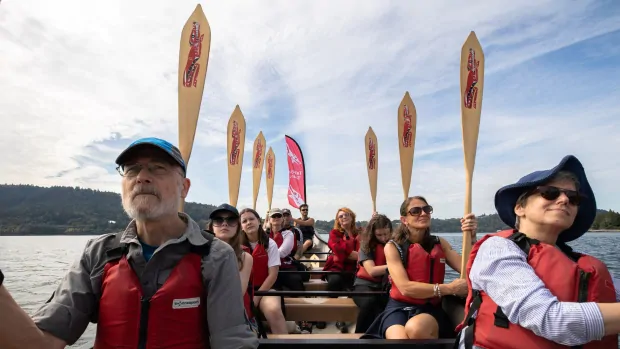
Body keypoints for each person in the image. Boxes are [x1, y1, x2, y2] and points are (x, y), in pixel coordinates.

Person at [0, 137, 259, 349]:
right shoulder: (99, 253)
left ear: (184, 187)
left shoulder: (214, 256)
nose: (142, 177)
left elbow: (232, 342)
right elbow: (40, 343)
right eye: (132, 169)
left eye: (157, 168)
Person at [455, 155, 620, 349]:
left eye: (573, 198)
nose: (565, 199)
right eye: (550, 193)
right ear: (519, 208)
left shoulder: (577, 262)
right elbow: (552, 321)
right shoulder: (497, 249)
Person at [364, 196, 476, 341]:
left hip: (430, 309)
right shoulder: (393, 247)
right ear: (404, 220)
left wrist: (471, 239)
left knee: (417, 328)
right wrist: (450, 288)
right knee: (398, 339)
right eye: (415, 211)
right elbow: (405, 288)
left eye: (427, 209)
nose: (423, 213)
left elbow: (468, 269)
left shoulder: (439, 243)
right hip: (398, 307)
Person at [207, 204, 256, 334]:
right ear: (212, 226)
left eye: (231, 220)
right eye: (218, 220)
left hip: (235, 320)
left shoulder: (245, 258)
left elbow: (236, 293)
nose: (225, 224)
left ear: (238, 227)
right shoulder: (199, 254)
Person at [239, 208, 288, 335]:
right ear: (241, 226)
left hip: (267, 288)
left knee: (273, 310)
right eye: (244, 221)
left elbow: (273, 275)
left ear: (259, 222)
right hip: (244, 289)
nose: (248, 222)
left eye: (251, 219)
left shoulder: (270, 244)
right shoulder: (236, 246)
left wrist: (256, 297)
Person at [322, 207, 361, 333]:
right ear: (338, 220)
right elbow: (338, 249)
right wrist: (357, 255)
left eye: (346, 214)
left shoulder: (359, 233)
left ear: (352, 216)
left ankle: (342, 318)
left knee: (354, 286)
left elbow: (365, 248)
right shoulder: (334, 233)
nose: (344, 217)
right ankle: (322, 314)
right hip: (336, 267)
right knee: (335, 281)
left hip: (354, 269)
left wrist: (357, 255)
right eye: (341, 216)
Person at [352, 213, 392, 333]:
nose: (384, 238)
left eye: (386, 234)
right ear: (373, 234)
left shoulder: (395, 245)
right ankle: (360, 336)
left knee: (384, 306)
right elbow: (372, 271)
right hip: (363, 286)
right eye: (379, 235)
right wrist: (395, 266)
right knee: (371, 302)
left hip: (384, 288)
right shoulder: (366, 247)